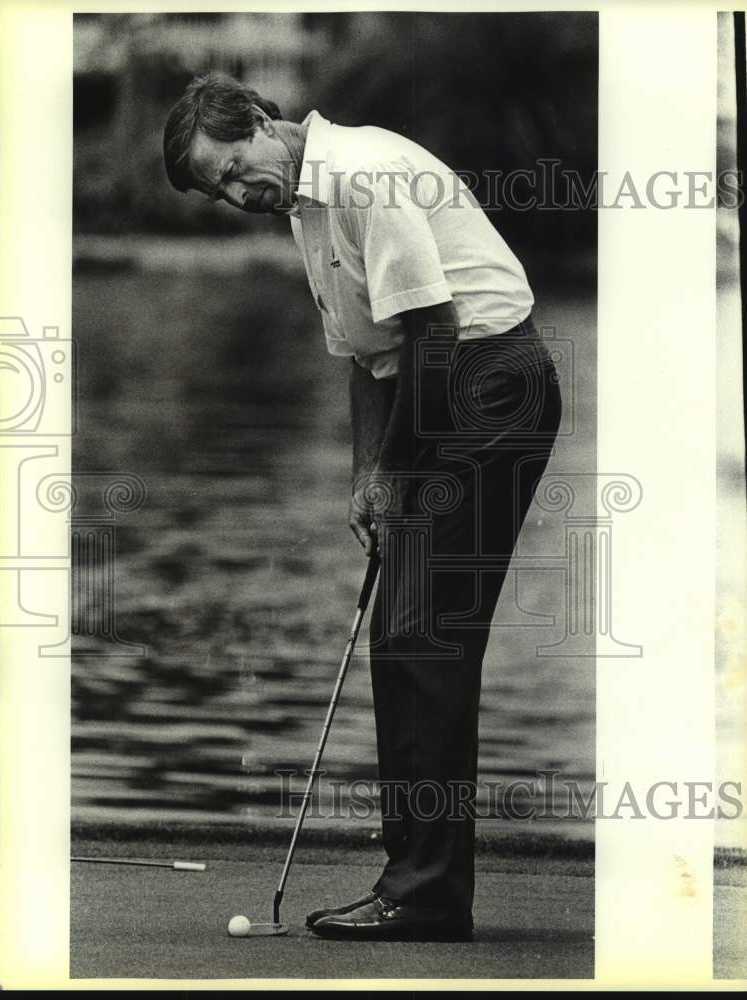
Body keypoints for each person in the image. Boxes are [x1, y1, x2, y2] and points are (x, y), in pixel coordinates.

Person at [163, 72, 562, 942]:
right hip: (442, 386)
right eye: (218, 189)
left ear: (263, 123)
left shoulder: (362, 174)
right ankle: (422, 886)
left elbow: (433, 331)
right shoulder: (308, 206)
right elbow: (366, 355)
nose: (237, 194)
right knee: (410, 639)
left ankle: (424, 895)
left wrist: (396, 468)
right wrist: (365, 478)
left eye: (232, 167)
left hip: (489, 386)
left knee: (422, 638)